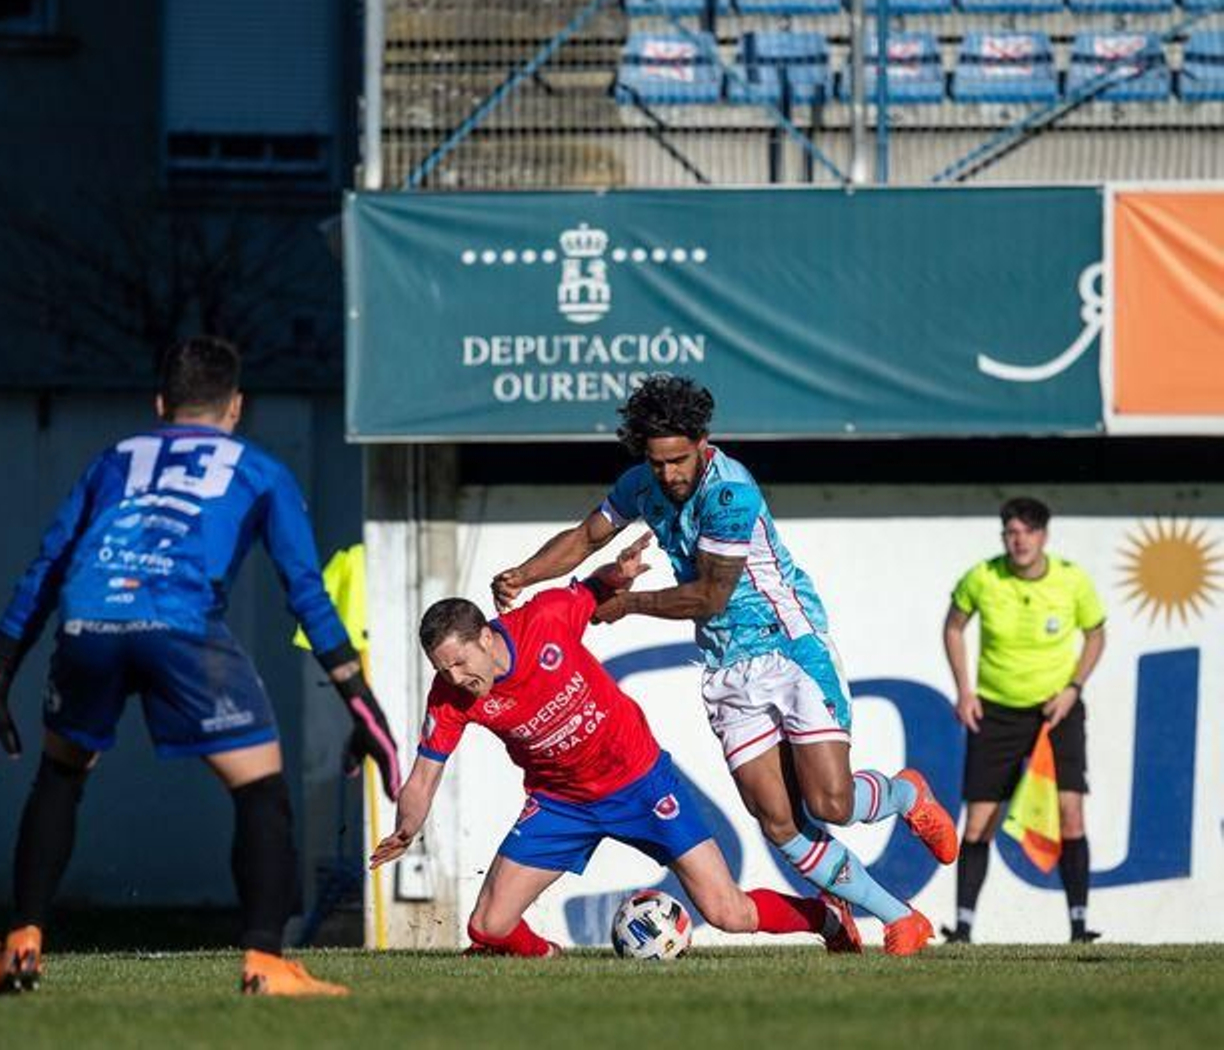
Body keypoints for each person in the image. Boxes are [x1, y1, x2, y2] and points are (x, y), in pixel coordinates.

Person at [0, 334, 403, 996]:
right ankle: (265, 961)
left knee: (63, 773)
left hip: (88, 622)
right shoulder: (260, 470)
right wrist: (362, 705)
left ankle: (22, 941)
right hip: (179, 626)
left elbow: (45, 569)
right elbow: (304, 589)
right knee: (259, 792)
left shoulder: (114, 459)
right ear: (236, 407)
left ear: (161, 404)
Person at [489, 375, 957, 956]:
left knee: (830, 803)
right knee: (779, 822)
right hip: (724, 666)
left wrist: (628, 604)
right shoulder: (642, 484)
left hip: (788, 648)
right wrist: (524, 575)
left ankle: (905, 796)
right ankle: (899, 918)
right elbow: (588, 537)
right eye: (657, 463)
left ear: (703, 443)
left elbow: (710, 594)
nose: (668, 475)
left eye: (679, 461)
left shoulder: (730, 492)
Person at [372, 542, 864, 956]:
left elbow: (591, 591)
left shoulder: (543, 620)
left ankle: (823, 917)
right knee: (488, 927)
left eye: (459, 663)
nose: (455, 678)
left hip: (641, 783)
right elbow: (424, 774)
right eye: (443, 670)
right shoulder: (451, 697)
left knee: (726, 912)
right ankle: (546, 957)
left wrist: (618, 573)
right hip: (560, 804)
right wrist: (407, 827)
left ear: (485, 637)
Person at [941, 496, 1107, 944]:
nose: (1020, 541)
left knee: (1071, 814)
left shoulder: (1072, 581)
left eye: (1028, 532)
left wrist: (1074, 688)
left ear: (1044, 536)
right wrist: (964, 691)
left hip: (1056, 713)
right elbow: (954, 626)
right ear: (1004, 538)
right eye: (1011, 533)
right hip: (995, 712)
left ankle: (1079, 926)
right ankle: (962, 928)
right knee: (979, 822)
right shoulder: (983, 577)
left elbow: (1095, 634)